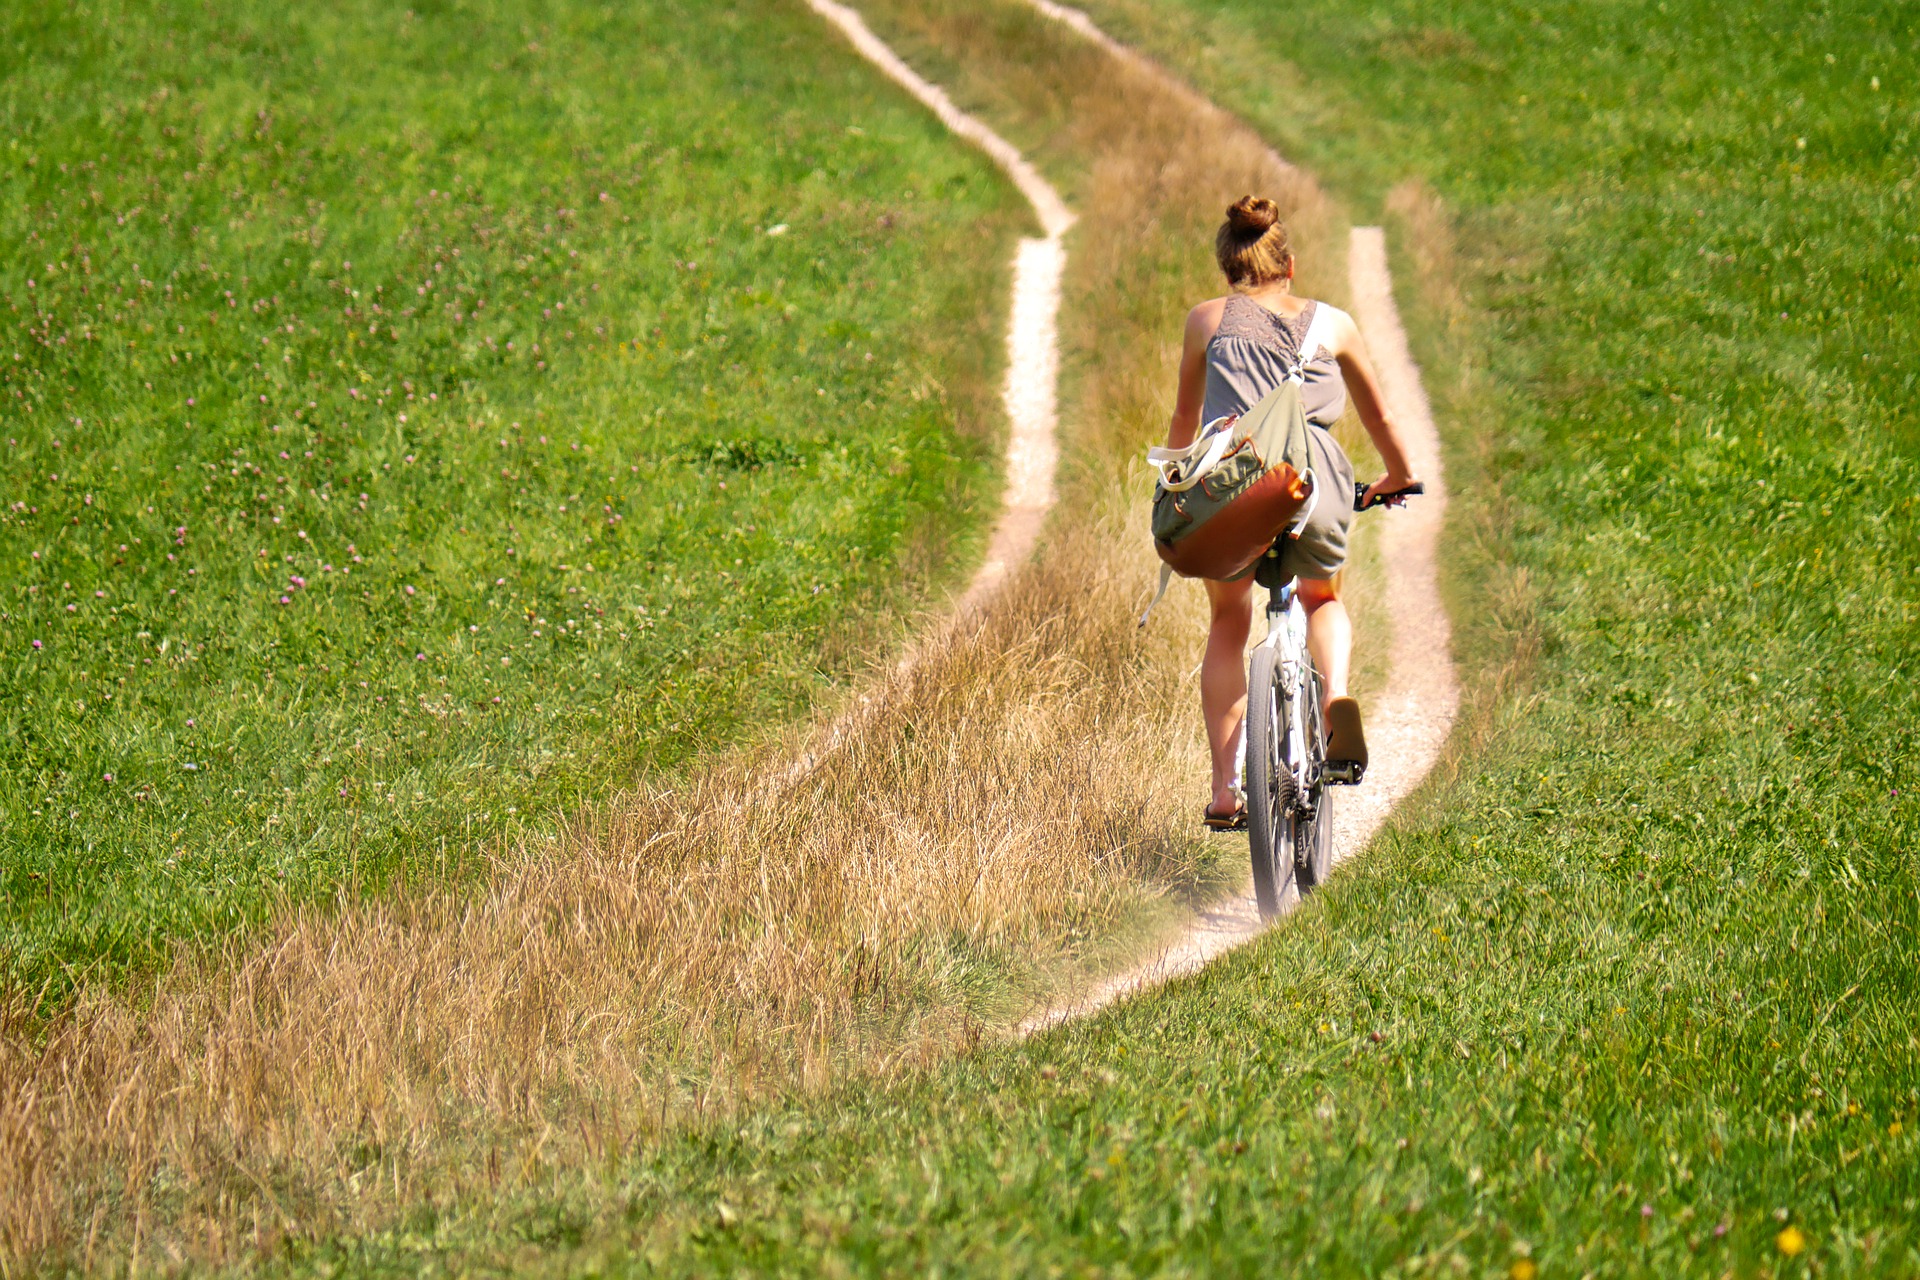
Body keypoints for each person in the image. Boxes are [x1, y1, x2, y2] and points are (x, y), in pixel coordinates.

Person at [1164, 195, 1420, 829]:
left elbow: (1181, 420)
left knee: (1229, 618)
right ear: (1291, 265)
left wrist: (1177, 481)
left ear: (1229, 268)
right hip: (1316, 484)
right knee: (1321, 598)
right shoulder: (1334, 325)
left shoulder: (1205, 321)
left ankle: (1227, 788)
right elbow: (1379, 416)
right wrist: (1399, 475)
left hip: (1233, 485)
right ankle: (1334, 698)